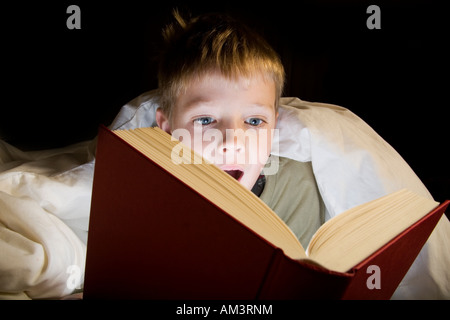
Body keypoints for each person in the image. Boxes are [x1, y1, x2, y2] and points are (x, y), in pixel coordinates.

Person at [154, 10, 325, 248]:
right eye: (205, 120)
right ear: (168, 130)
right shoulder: (144, 194)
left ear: (274, 126)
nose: (232, 142)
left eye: (254, 121)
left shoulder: (298, 189)